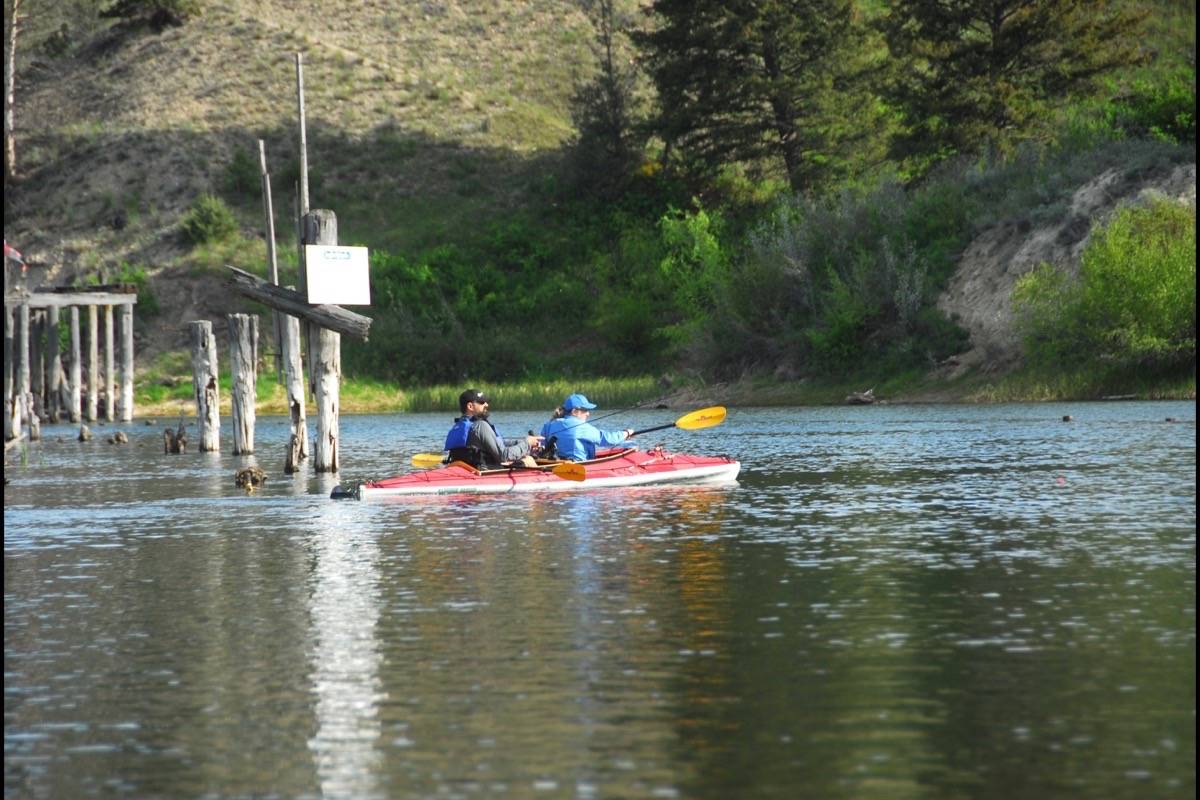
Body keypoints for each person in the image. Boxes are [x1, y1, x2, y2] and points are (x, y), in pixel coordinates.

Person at [444, 388, 540, 469]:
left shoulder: (457, 426)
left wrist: (522, 442)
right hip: (483, 472)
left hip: (464, 470)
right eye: (481, 402)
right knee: (528, 460)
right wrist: (527, 444)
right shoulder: (480, 426)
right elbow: (504, 455)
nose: (486, 405)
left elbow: (497, 443)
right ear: (470, 406)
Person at [541, 393, 634, 462]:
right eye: (585, 410)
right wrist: (626, 433)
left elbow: (542, 445)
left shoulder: (549, 424)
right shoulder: (582, 427)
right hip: (577, 468)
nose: (588, 414)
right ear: (574, 411)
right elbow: (607, 439)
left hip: (554, 463)